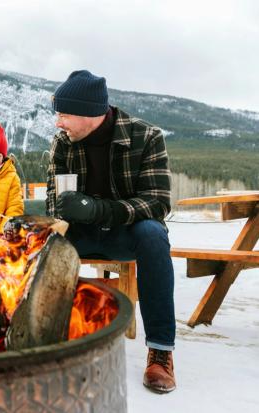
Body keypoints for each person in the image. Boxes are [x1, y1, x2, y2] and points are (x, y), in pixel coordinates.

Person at [46, 70, 176, 394]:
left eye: (63, 115)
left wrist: (99, 209)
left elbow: (159, 203)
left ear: (89, 113)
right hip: (83, 235)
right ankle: (47, 338)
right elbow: (52, 202)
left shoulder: (146, 137)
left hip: (126, 236)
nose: (58, 123)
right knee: (41, 239)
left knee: (154, 235)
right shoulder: (63, 145)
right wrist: (62, 210)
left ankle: (161, 350)